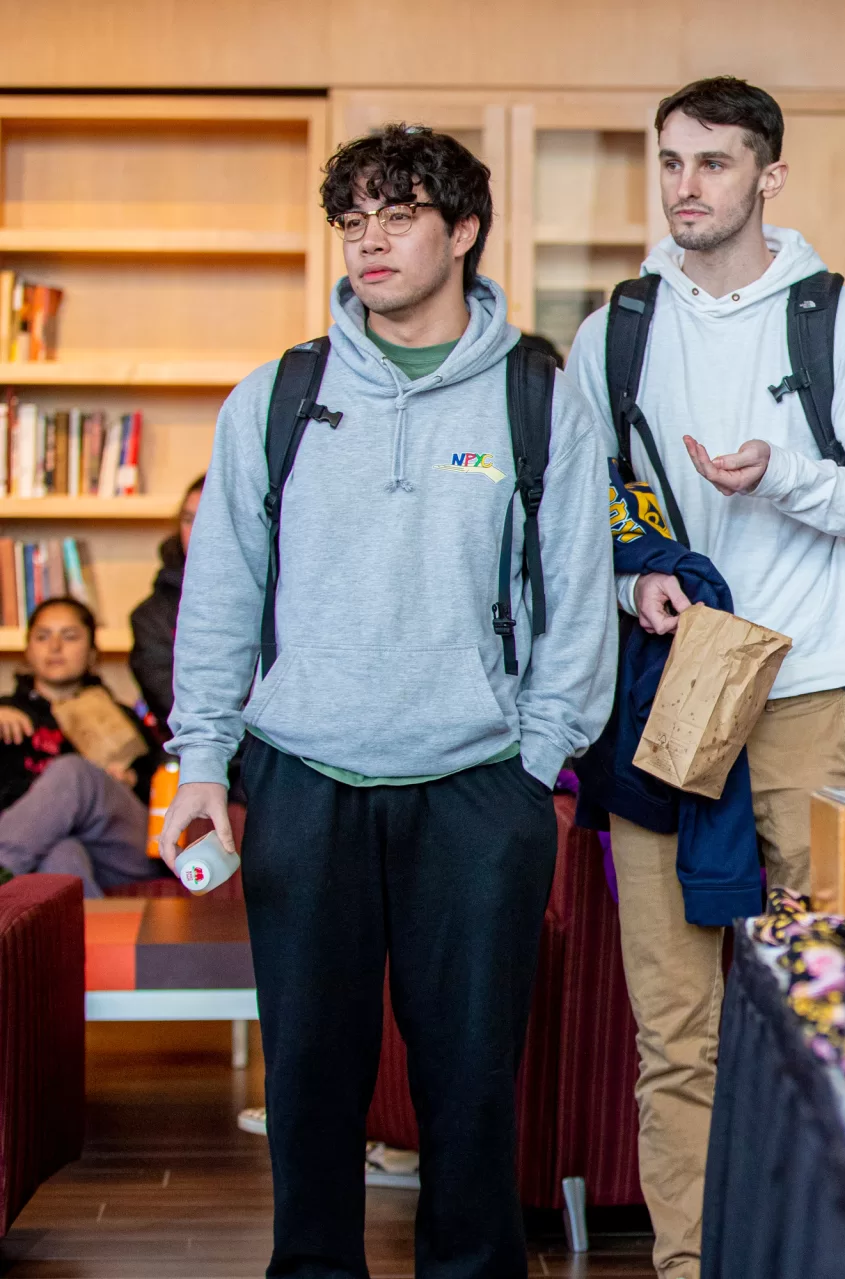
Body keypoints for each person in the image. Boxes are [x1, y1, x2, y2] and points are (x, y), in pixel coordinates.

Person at [160, 123, 615, 1278]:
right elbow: (220, 595)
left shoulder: (538, 397)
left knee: (469, 1079)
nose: (369, 241)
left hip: (477, 787)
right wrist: (203, 763)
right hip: (303, 777)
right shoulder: (278, 395)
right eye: (352, 221)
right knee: (311, 1076)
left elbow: (577, 602)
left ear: (461, 231)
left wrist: (534, 758)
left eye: (398, 216)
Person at [563, 77, 845, 1279]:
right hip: (665, 700)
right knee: (673, 1029)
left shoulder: (837, 320)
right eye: (669, 162)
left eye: (713, 164)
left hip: (813, 696)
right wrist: (631, 584)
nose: (684, 186)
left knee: (826, 1016)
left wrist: (782, 475)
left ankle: (822, 1257)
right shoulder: (611, 328)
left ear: (769, 176)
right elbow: (573, 522)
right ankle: (686, 1268)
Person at [0, 598, 164, 897]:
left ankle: (2, 866)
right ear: (27, 650)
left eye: (70, 636)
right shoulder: (6, 714)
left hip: (118, 848)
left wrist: (131, 781)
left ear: (91, 653)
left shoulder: (123, 718)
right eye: (42, 636)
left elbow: (162, 786)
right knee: (62, 855)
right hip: (44, 844)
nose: (55, 646)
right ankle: (83, 941)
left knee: (74, 771)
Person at [128, 476, 202, 727]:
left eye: (209, 518)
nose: (196, 531)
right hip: (194, 755)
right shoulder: (152, 616)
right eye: (189, 519)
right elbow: (175, 708)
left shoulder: (278, 595)